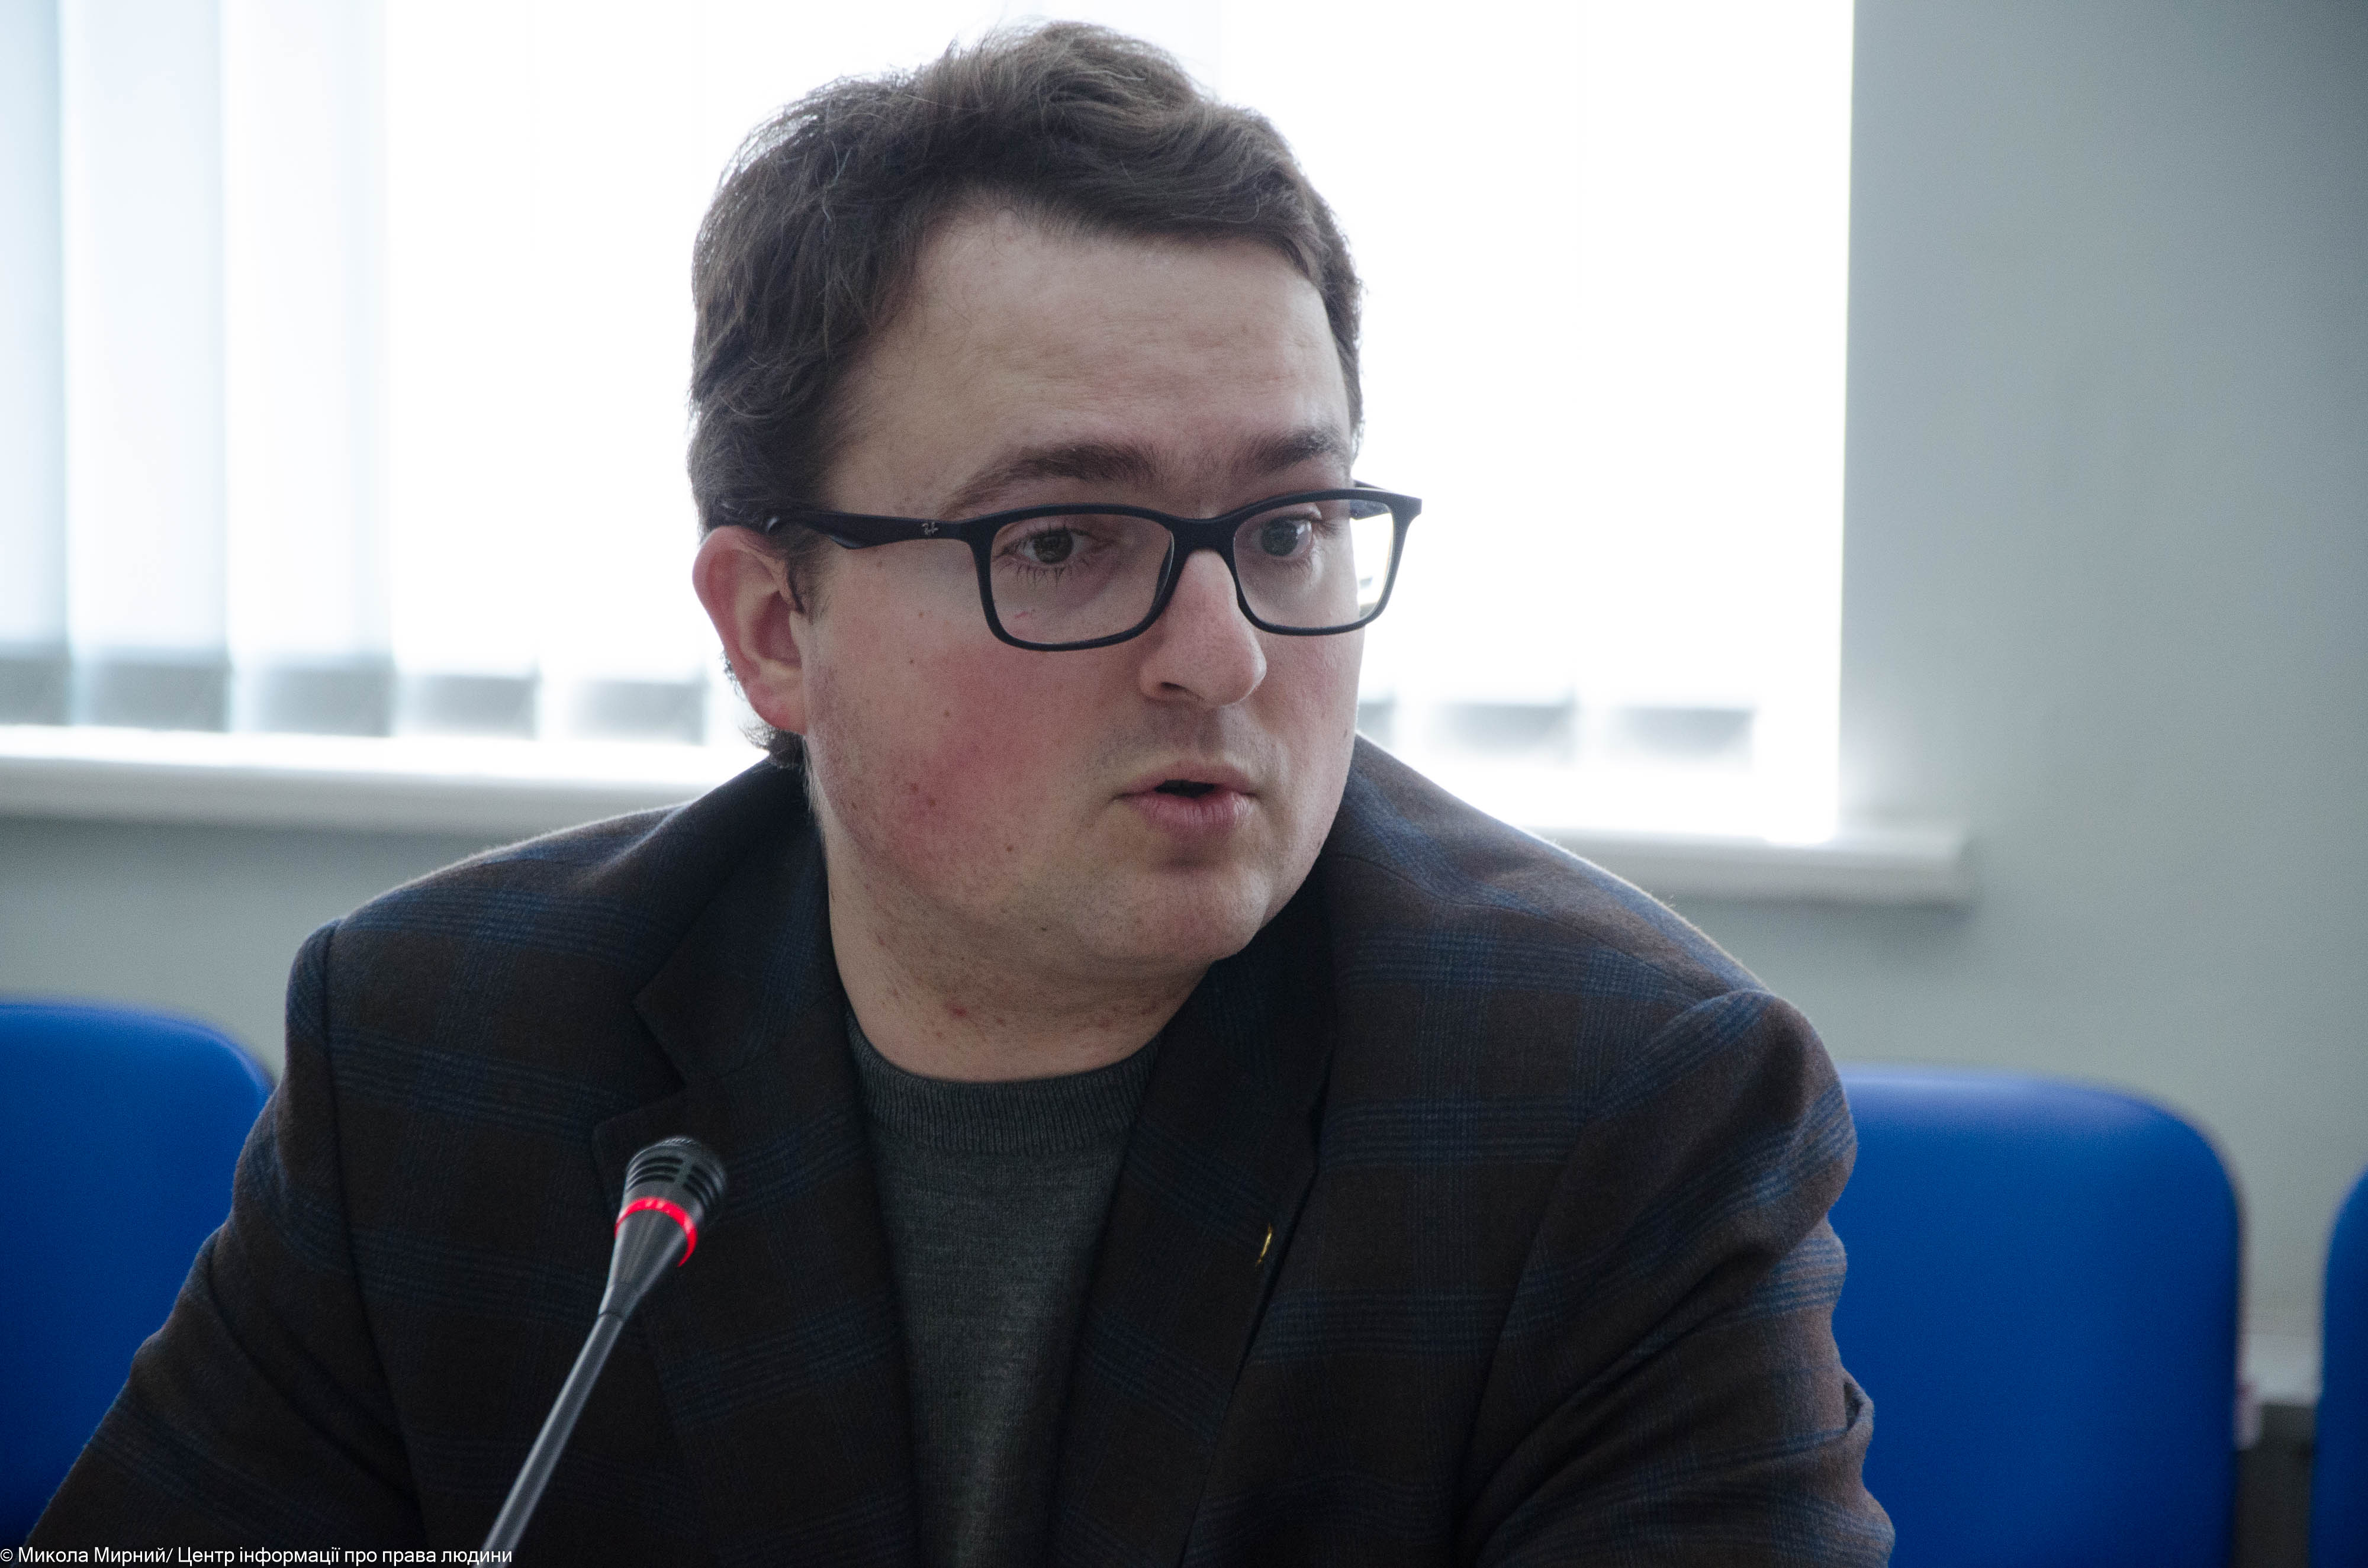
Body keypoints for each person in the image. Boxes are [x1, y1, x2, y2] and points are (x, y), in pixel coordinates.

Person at [33, 23, 1891, 1564]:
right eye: (1066, 539)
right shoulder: (438, 1051)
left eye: (1288, 527)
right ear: (777, 627)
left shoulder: (1618, 1111)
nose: (1226, 654)